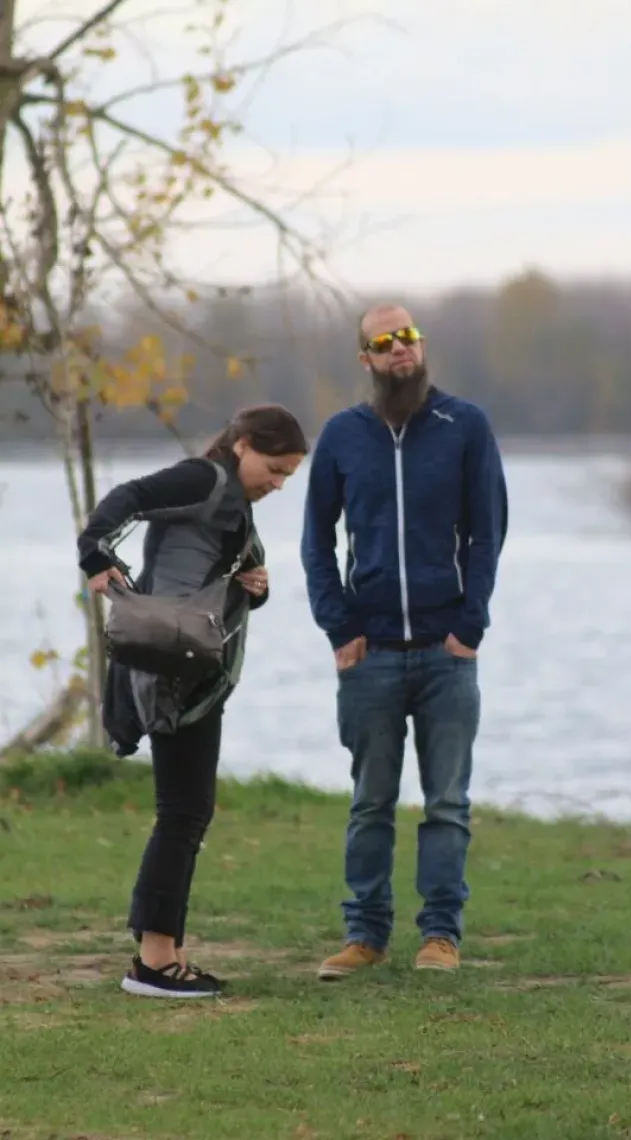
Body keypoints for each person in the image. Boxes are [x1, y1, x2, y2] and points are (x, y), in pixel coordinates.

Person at [300, 303, 508, 979]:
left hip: (448, 653)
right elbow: (315, 542)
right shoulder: (341, 436)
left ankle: (440, 936)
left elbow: (487, 531)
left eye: (409, 337)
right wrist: (340, 627)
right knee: (370, 803)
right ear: (365, 359)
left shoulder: (464, 426)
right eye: (385, 342)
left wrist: (470, 625)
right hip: (372, 656)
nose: (401, 350)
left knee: (447, 802)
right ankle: (365, 936)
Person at [77, 405, 308, 998]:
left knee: (187, 812)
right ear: (245, 444)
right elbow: (128, 495)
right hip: (172, 669)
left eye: (288, 477)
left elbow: (211, 571)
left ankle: (164, 953)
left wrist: (252, 586)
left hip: (191, 669)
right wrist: (94, 556)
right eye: (275, 469)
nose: (278, 484)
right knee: (182, 813)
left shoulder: (228, 495)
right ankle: (154, 963)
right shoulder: (205, 479)